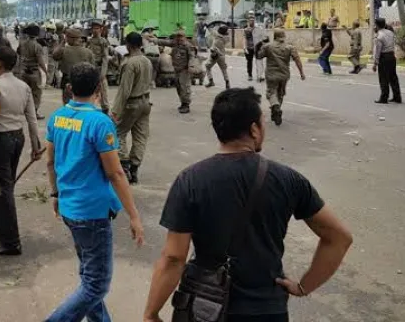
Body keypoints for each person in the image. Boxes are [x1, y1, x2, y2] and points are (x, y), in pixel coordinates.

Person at [143, 88, 353, 322]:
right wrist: (304, 286)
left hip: (204, 307)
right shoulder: (288, 179)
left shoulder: (190, 180)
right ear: (254, 130)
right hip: (267, 309)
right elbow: (339, 237)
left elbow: (174, 257)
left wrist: (151, 313)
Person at [44, 62, 144, 322]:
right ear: (99, 88)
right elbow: (115, 173)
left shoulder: (57, 117)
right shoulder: (100, 123)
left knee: (89, 273)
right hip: (92, 212)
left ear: (69, 88)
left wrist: (55, 194)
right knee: (96, 285)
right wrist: (134, 215)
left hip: (70, 207)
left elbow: (49, 161)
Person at [0, 47, 42, 255]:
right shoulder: (23, 86)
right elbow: (32, 118)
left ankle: (11, 241)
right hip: (18, 137)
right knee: (2, 185)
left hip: (1, 139)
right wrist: (36, 146)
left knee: (4, 188)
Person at [111, 32, 153, 184]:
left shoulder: (130, 63)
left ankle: (125, 165)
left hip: (132, 103)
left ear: (128, 45)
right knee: (140, 136)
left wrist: (115, 111)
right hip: (146, 102)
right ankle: (135, 168)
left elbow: (124, 90)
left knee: (118, 132)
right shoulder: (147, 61)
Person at [256, 30, 305, 126]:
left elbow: (259, 56)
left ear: (274, 36)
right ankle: (276, 111)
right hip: (284, 74)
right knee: (280, 93)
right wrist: (301, 73)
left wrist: (259, 46)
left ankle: (275, 106)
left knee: (271, 92)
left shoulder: (268, 46)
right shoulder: (290, 47)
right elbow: (297, 60)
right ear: (283, 37)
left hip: (271, 74)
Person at [153, 30, 193, 113]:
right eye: (178, 37)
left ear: (184, 37)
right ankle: (182, 103)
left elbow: (192, 57)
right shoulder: (174, 43)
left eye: (181, 37)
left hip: (184, 70)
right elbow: (164, 42)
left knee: (184, 87)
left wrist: (190, 66)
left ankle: (186, 105)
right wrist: (153, 40)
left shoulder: (188, 46)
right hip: (176, 70)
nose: (179, 39)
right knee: (178, 87)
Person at [53, 28, 95, 105]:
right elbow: (93, 69)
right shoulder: (88, 52)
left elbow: (55, 56)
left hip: (67, 80)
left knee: (67, 104)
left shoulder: (63, 50)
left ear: (70, 38)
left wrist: (62, 42)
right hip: (83, 81)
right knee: (82, 103)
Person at [17, 23, 47, 119]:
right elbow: (40, 61)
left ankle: (23, 111)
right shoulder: (37, 46)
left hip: (23, 72)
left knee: (24, 93)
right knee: (36, 93)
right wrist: (45, 71)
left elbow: (18, 55)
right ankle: (34, 113)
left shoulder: (22, 44)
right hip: (34, 73)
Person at [373, 18, 402, 104]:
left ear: (377, 25)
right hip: (391, 56)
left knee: (383, 78)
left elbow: (378, 51)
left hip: (384, 57)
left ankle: (384, 98)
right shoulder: (390, 32)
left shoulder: (379, 36)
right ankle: (397, 97)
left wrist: (375, 63)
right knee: (393, 77)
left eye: (375, 25)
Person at [86, 19, 111, 114]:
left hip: (99, 69)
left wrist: (103, 73)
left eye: (97, 28)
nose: (95, 30)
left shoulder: (103, 41)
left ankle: (105, 110)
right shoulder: (89, 41)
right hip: (91, 68)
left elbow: (105, 57)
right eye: (93, 28)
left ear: (101, 29)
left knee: (103, 92)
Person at [205, 25, 231, 89]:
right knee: (223, 69)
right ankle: (227, 83)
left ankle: (211, 81)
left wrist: (207, 25)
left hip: (214, 54)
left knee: (207, 66)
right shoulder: (227, 38)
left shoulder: (216, 35)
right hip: (222, 55)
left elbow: (210, 30)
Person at [244, 15, 257, 81]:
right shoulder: (246, 30)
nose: (252, 21)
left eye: (253, 20)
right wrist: (245, 47)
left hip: (256, 47)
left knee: (259, 61)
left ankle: (259, 75)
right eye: (250, 20)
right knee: (249, 62)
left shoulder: (257, 29)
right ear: (248, 21)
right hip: (249, 47)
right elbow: (245, 39)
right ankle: (250, 75)